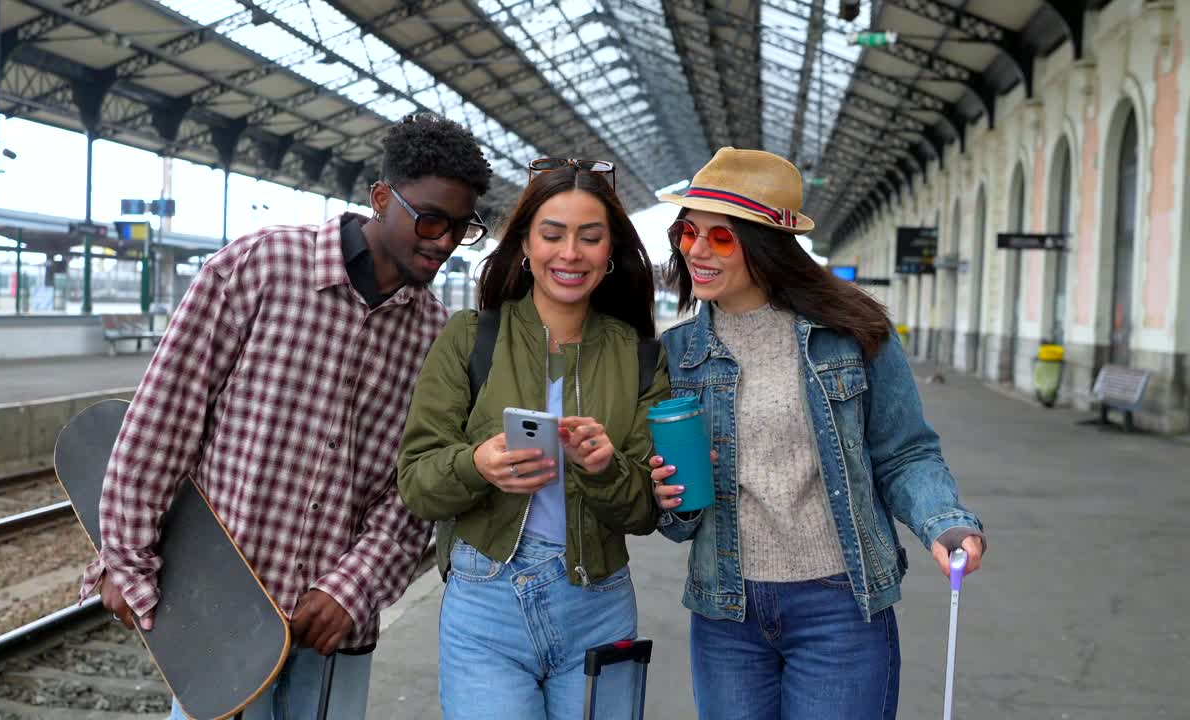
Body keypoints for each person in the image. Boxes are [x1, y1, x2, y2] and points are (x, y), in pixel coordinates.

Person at [80, 113, 493, 720]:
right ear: (382, 198)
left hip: (332, 634)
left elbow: (415, 489)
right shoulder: (259, 268)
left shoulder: (437, 337)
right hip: (222, 617)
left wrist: (352, 589)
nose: (445, 242)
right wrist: (127, 558)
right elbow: (163, 421)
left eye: (462, 228)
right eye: (431, 219)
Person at [649, 148, 986, 720]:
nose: (696, 251)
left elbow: (904, 453)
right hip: (726, 610)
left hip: (840, 604)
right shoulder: (677, 355)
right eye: (686, 232)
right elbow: (676, 522)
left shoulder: (853, 333)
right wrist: (666, 498)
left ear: (766, 245)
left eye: (721, 238)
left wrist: (944, 520)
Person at [396, 158, 670, 720]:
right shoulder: (469, 337)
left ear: (610, 251)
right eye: (552, 234)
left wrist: (604, 467)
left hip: (598, 607)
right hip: (485, 604)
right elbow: (418, 483)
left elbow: (646, 510)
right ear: (524, 243)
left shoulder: (641, 355)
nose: (569, 253)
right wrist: (477, 464)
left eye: (590, 238)